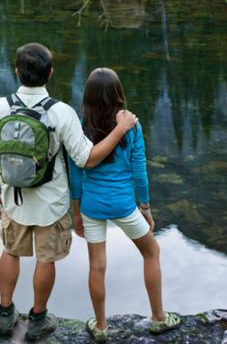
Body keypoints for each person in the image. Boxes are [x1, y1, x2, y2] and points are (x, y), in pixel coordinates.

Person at [0, 43, 138, 340]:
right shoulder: (61, 112)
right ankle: (37, 318)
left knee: (10, 252)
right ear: (50, 73)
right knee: (46, 259)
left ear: (17, 72)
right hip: (51, 204)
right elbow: (87, 158)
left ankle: (5, 314)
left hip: (14, 199)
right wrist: (119, 131)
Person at [69, 68, 181, 341]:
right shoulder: (132, 128)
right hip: (124, 206)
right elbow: (139, 171)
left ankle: (101, 326)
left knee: (97, 266)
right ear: (118, 94)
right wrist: (144, 206)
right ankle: (157, 318)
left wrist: (76, 214)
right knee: (151, 252)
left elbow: (76, 176)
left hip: (92, 206)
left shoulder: (80, 127)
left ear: (88, 96)